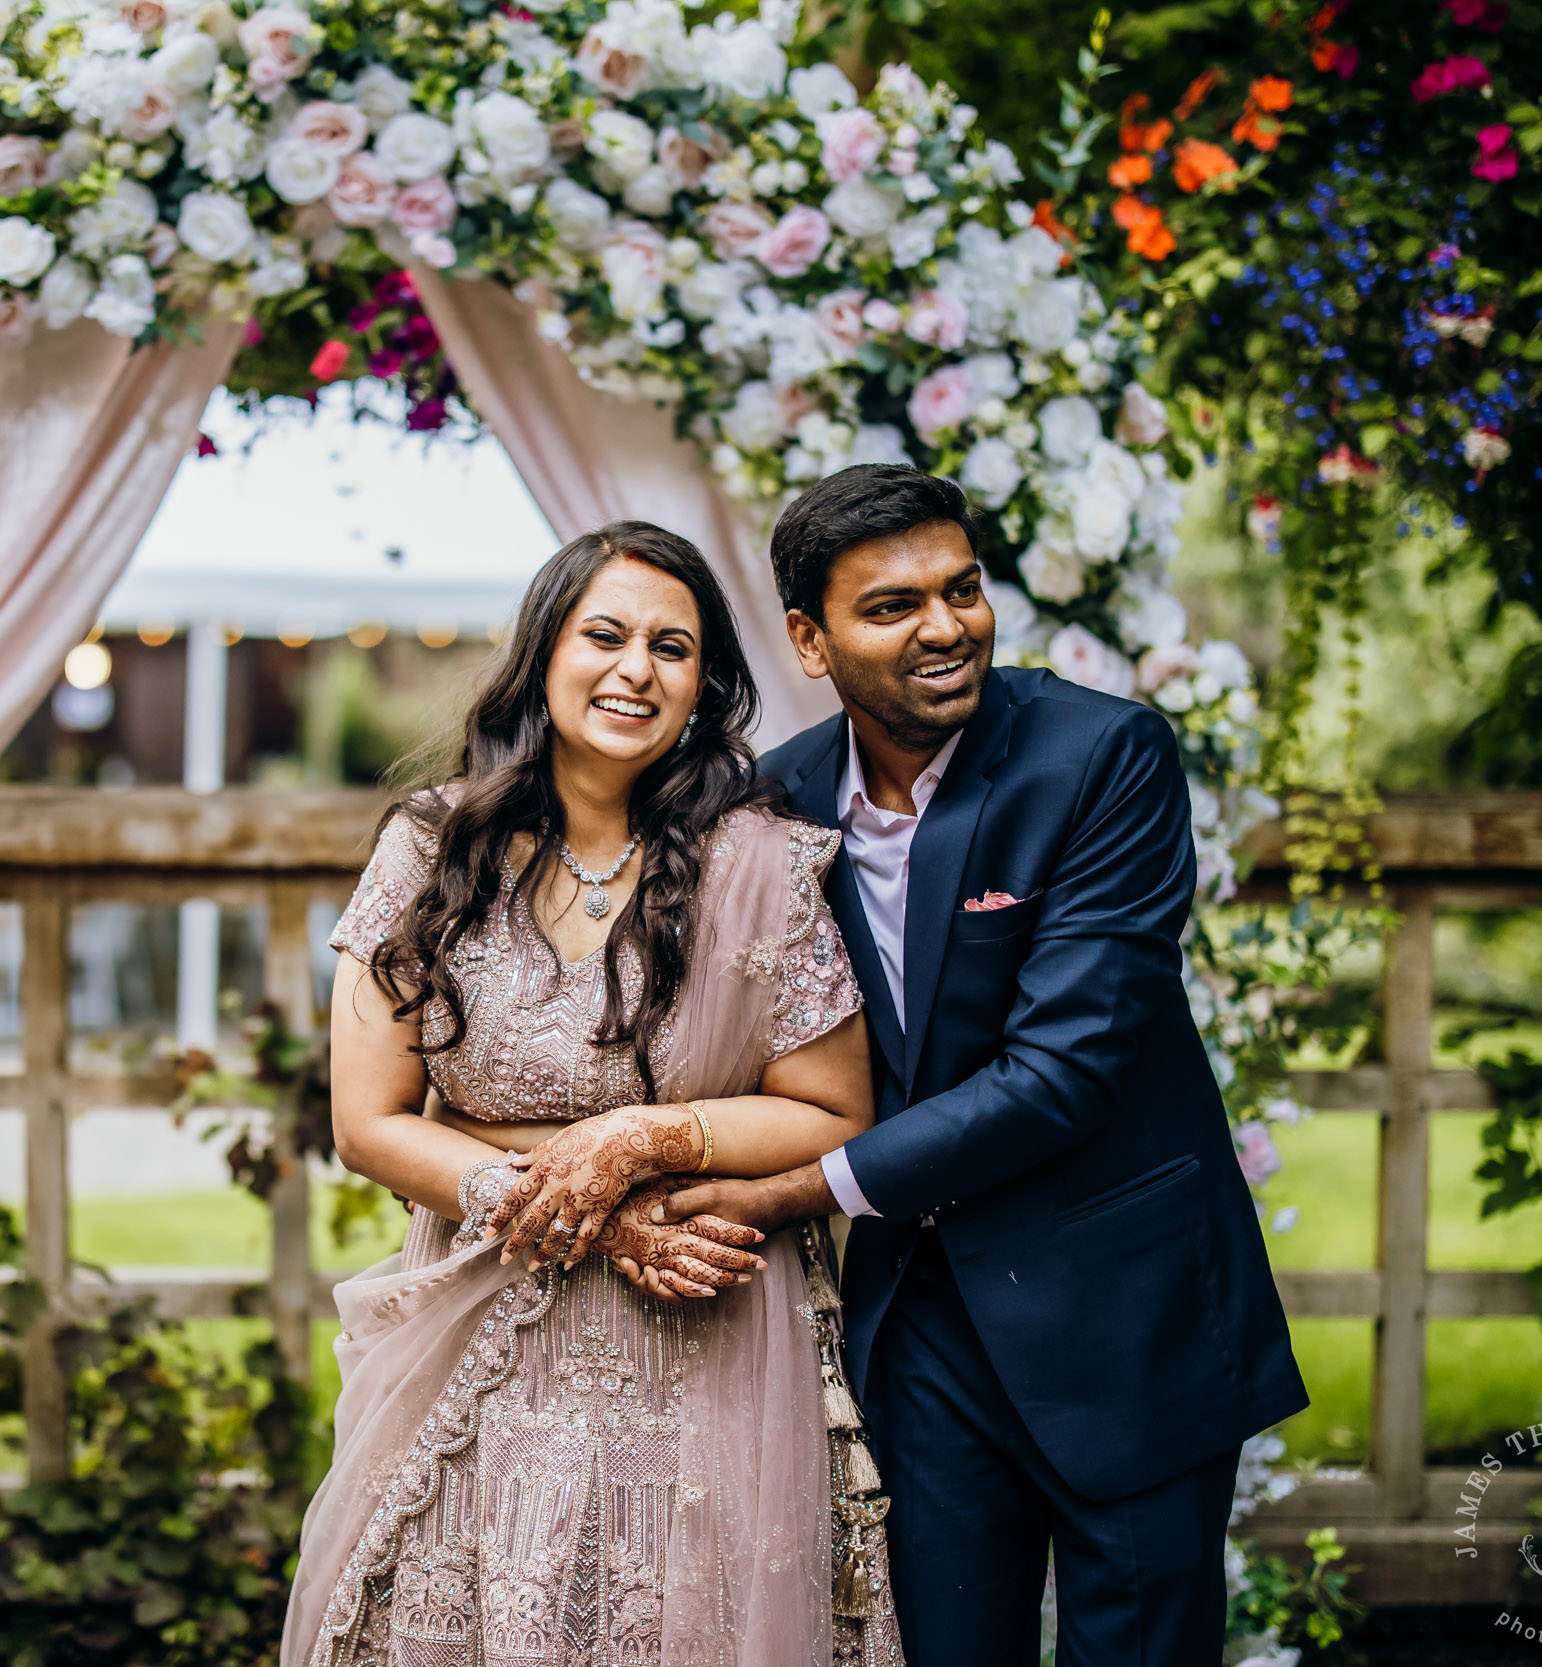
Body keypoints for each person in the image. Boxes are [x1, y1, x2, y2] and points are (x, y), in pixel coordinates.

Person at [653, 465, 1309, 1665]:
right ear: (809, 637)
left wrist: (795, 1187)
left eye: (961, 588)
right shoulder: (774, 806)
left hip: (1129, 1310)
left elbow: (1063, 1070)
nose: (946, 624)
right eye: (893, 605)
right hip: (923, 1335)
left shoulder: (1104, 758)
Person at [280, 522, 907, 1667]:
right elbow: (367, 1123)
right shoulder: (432, 850)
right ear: (542, 653)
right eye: (604, 634)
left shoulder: (759, 864)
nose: (635, 669)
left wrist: (641, 1134)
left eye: (672, 647)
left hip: (709, 1345)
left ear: (703, 685)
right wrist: (589, 1210)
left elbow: (833, 1111)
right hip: (481, 1334)